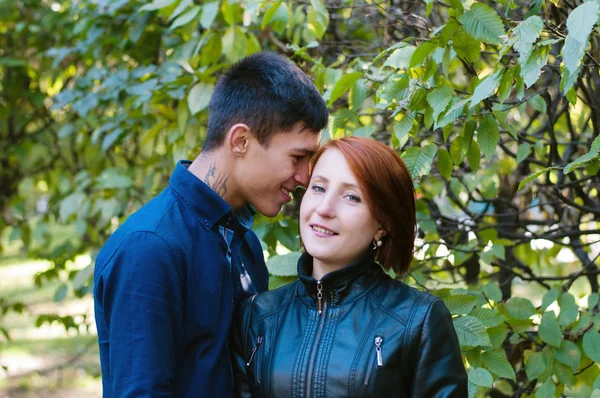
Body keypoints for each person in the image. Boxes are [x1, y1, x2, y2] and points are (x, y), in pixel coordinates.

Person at [93, 52, 328, 397]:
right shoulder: (149, 247)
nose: (305, 177)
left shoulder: (243, 242)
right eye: (298, 157)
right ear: (240, 141)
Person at [232, 137, 467, 397]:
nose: (324, 209)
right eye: (318, 188)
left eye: (352, 197)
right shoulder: (257, 317)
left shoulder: (418, 320)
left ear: (383, 224)